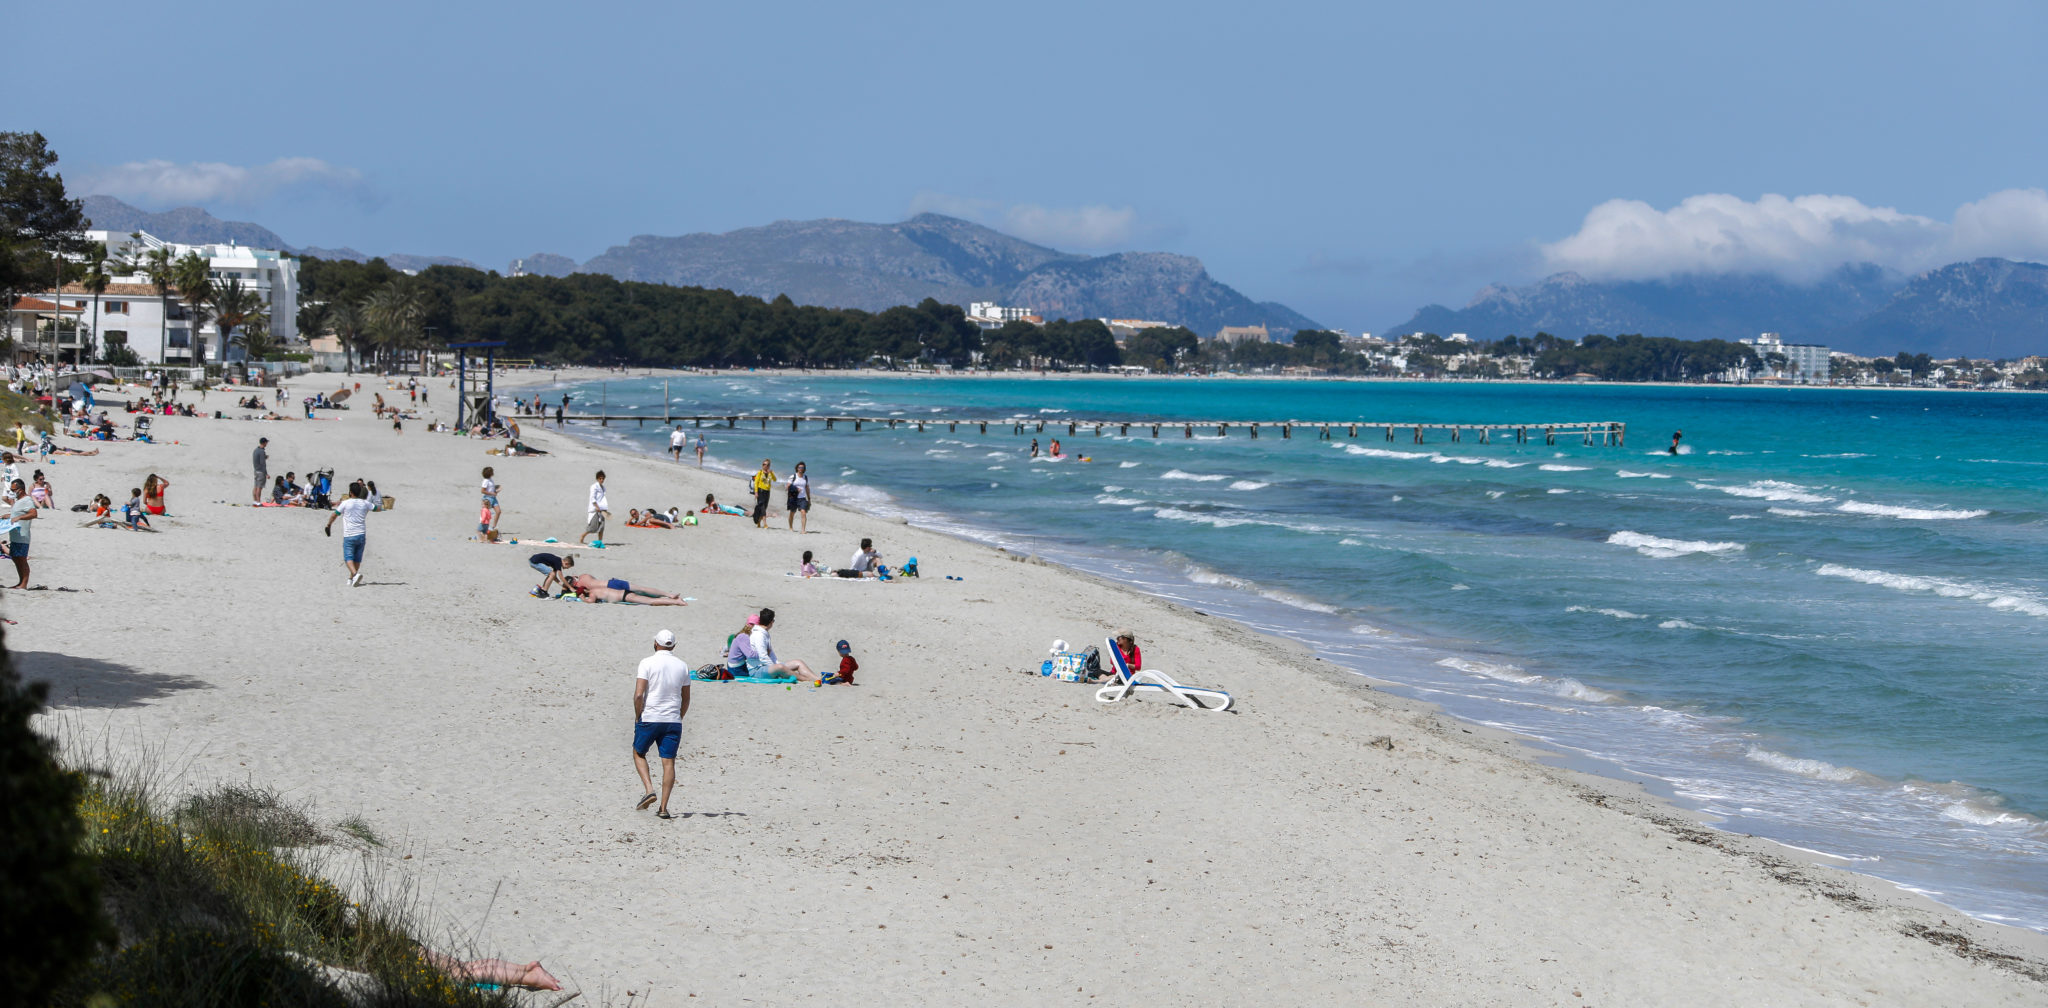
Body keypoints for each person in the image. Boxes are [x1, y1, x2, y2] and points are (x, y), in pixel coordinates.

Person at [631, 628, 692, 819]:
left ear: (655, 643)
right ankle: (664, 808)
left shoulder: (647, 663)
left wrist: (637, 715)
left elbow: (639, 694)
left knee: (638, 752)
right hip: (672, 719)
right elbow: (686, 698)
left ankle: (649, 789)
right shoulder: (683, 666)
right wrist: (679, 716)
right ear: (673, 645)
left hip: (650, 716)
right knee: (668, 762)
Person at [417, 948, 562, 992]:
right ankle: (525, 969)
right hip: (410, 947)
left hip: (407, 953)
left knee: (465, 972)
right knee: (468, 966)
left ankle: (527, 975)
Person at [324, 481, 374, 587]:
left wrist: (328, 525)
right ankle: (351, 579)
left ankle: (355, 575)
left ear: (350, 492)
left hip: (349, 535)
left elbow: (334, 515)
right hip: (361, 535)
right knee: (357, 558)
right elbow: (376, 508)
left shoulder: (346, 503)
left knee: (348, 558)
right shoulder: (365, 503)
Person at [750, 608, 820, 683]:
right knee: (780, 667)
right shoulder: (759, 635)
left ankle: (818, 679)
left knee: (798, 662)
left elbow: (771, 654)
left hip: (768, 667)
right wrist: (775, 667)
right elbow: (763, 656)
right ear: (771, 622)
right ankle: (807, 680)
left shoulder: (764, 633)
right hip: (757, 670)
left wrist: (776, 663)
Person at [564, 573, 688, 605]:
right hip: (611, 582)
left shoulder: (579, 587)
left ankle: (670, 598)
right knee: (642, 588)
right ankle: (669, 594)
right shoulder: (585, 576)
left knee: (643, 597)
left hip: (612, 591)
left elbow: (585, 595)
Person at [4, 478, 38, 589]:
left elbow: (33, 514)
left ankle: (24, 584)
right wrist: (7, 516)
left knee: (22, 559)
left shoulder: (27, 500)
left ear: (21, 489)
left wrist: (19, 517)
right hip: (15, 536)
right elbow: (16, 514)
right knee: (15, 557)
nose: (12, 492)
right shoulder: (18, 501)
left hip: (22, 536)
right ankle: (20, 582)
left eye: (14, 490)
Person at [580, 470, 608, 545]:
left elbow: (602, 498)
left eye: (603, 478)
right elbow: (592, 498)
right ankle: (583, 535)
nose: (601, 480)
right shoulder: (594, 486)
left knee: (602, 526)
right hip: (594, 509)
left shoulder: (603, 488)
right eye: (600, 478)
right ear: (597, 479)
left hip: (603, 508)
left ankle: (600, 541)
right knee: (593, 526)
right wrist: (596, 506)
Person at [784, 461, 811, 533]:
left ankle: (803, 530)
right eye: (799, 467)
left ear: (804, 468)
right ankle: (790, 527)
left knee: (803, 512)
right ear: (797, 468)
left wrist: (809, 498)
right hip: (793, 498)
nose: (801, 468)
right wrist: (795, 489)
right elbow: (787, 487)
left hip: (802, 498)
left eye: (802, 467)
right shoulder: (793, 476)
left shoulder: (805, 477)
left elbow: (807, 488)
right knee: (792, 513)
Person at [750, 458, 776, 528]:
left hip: (767, 492)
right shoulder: (760, 472)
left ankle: (759, 522)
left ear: (769, 466)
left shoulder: (770, 473)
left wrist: (772, 473)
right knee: (762, 508)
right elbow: (756, 483)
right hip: (760, 491)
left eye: (766, 464)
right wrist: (756, 492)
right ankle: (765, 524)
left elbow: (775, 479)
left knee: (765, 507)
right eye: (763, 464)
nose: (764, 466)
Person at [480, 467, 501, 532]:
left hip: (493, 498)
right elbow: (482, 491)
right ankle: (482, 528)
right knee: (485, 514)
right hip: (487, 499)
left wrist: (496, 490)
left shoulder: (490, 479)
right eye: (492, 471)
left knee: (498, 512)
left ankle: (493, 527)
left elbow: (491, 488)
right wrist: (492, 493)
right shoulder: (485, 481)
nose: (493, 472)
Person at [252, 437, 269, 504]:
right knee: (259, 487)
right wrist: (266, 473)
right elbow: (263, 464)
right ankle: (258, 501)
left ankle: (255, 501)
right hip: (261, 472)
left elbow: (257, 460)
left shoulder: (256, 450)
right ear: (264, 443)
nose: (267, 444)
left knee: (255, 486)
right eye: (266, 442)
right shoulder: (262, 451)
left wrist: (264, 457)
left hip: (256, 470)